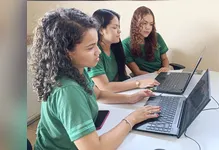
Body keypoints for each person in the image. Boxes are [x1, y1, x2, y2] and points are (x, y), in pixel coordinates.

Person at [29, 8, 160, 150]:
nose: (98, 51)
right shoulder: (68, 90)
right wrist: (132, 118)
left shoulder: (76, 70)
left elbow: (98, 94)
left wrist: (131, 98)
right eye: (91, 47)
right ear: (67, 53)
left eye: (96, 44)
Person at [86, 9, 159, 93]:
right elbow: (104, 87)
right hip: (101, 100)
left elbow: (120, 79)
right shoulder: (95, 53)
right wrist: (138, 83)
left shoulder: (115, 48)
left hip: (116, 94)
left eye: (119, 27)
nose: (119, 31)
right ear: (101, 30)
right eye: (114, 27)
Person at [122, 6, 171, 76]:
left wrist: (166, 68)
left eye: (151, 24)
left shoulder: (157, 37)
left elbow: (164, 58)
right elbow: (137, 72)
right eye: (144, 23)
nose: (148, 27)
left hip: (162, 75)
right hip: (144, 78)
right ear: (135, 23)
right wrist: (154, 76)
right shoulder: (125, 44)